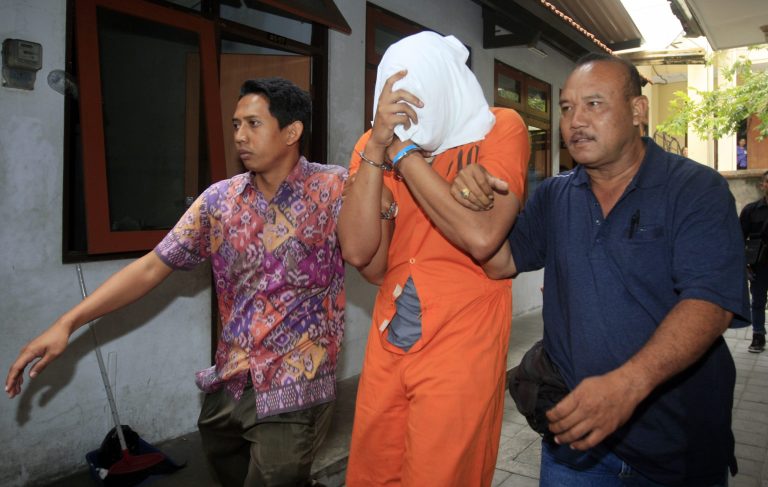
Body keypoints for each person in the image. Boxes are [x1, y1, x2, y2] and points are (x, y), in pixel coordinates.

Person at [6, 78, 347, 487]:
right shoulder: (220, 201)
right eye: (236, 124)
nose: (239, 135)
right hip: (230, 383)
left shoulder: (334, 189)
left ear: (291, 132)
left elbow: (374, 246)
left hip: (297, 387)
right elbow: (153, 266)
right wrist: (68, 322)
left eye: (253, 124)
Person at [452, 53, 750, 486]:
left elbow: (710, 302)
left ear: (637, 111)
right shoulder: (555, 196)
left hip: (676, 450)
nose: (575, 120)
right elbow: (499, 261)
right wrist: (474, 195)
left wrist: (628, 385)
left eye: (594, 104)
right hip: (576, 452)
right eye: (567, 108)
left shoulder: (695, 189)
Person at [337, 31, 529, 486]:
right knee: (373, 470)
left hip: (464, 336)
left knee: (442, 474)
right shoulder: (374, 145)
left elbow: (481, 237)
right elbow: (364, 255)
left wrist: (403, 155)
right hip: (392, 334)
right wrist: (377, 154)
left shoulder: (499, 127)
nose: (409, 115)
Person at [739, 170, 768, 353]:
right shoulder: (751, 210)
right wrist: (744, 264)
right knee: (757, 301)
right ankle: (758, 335)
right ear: (762, 185)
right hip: (760, 264)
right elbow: (738, 238)